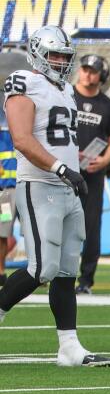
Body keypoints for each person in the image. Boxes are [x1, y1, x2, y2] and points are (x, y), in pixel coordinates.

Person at [0, 25, 110, 367]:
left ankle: (69, 347)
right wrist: (61, 169)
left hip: (67, 186)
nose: (62, 62)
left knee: (66, 270)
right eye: (55, 55)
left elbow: (59, 140)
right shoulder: (24, 81)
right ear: (37, 54)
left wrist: (73, 164)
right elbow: (21, 138)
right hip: (39, 184)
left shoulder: (65, 89)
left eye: (65, 56)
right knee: (41, 267)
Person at [73, 54, 110, 295]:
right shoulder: (66, 95)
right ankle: (56, 272)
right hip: (66, 172)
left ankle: (86, 279)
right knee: (60, 224)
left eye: (93, 70)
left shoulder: (108, 105)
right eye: (85, 69)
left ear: (101, 75)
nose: (88, 74)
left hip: (92, 175)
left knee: (91, 226)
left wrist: (104, 160)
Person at [0, 100, 15, 288]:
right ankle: (1, 272)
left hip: (29, 187)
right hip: (5, 191)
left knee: (35, 231)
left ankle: (41, 272)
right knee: (2, 231)